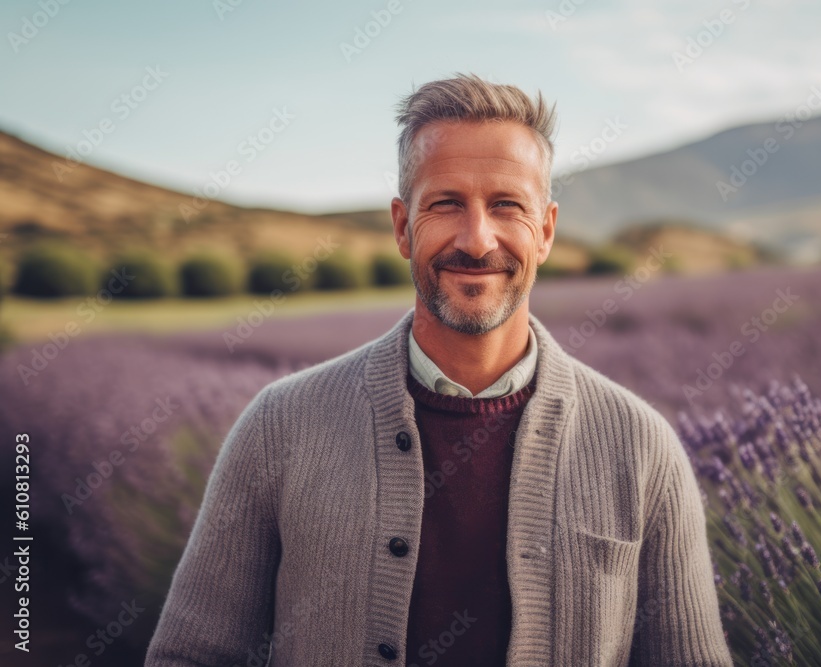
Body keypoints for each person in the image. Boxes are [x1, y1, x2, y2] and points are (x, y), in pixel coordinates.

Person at [145, 73, 733, 666]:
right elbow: (190, 656)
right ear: (403, 227)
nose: (477, 241)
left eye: (506, 205)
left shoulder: (640, 446)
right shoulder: (281, 426)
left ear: (547, 230)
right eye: (446, 204)